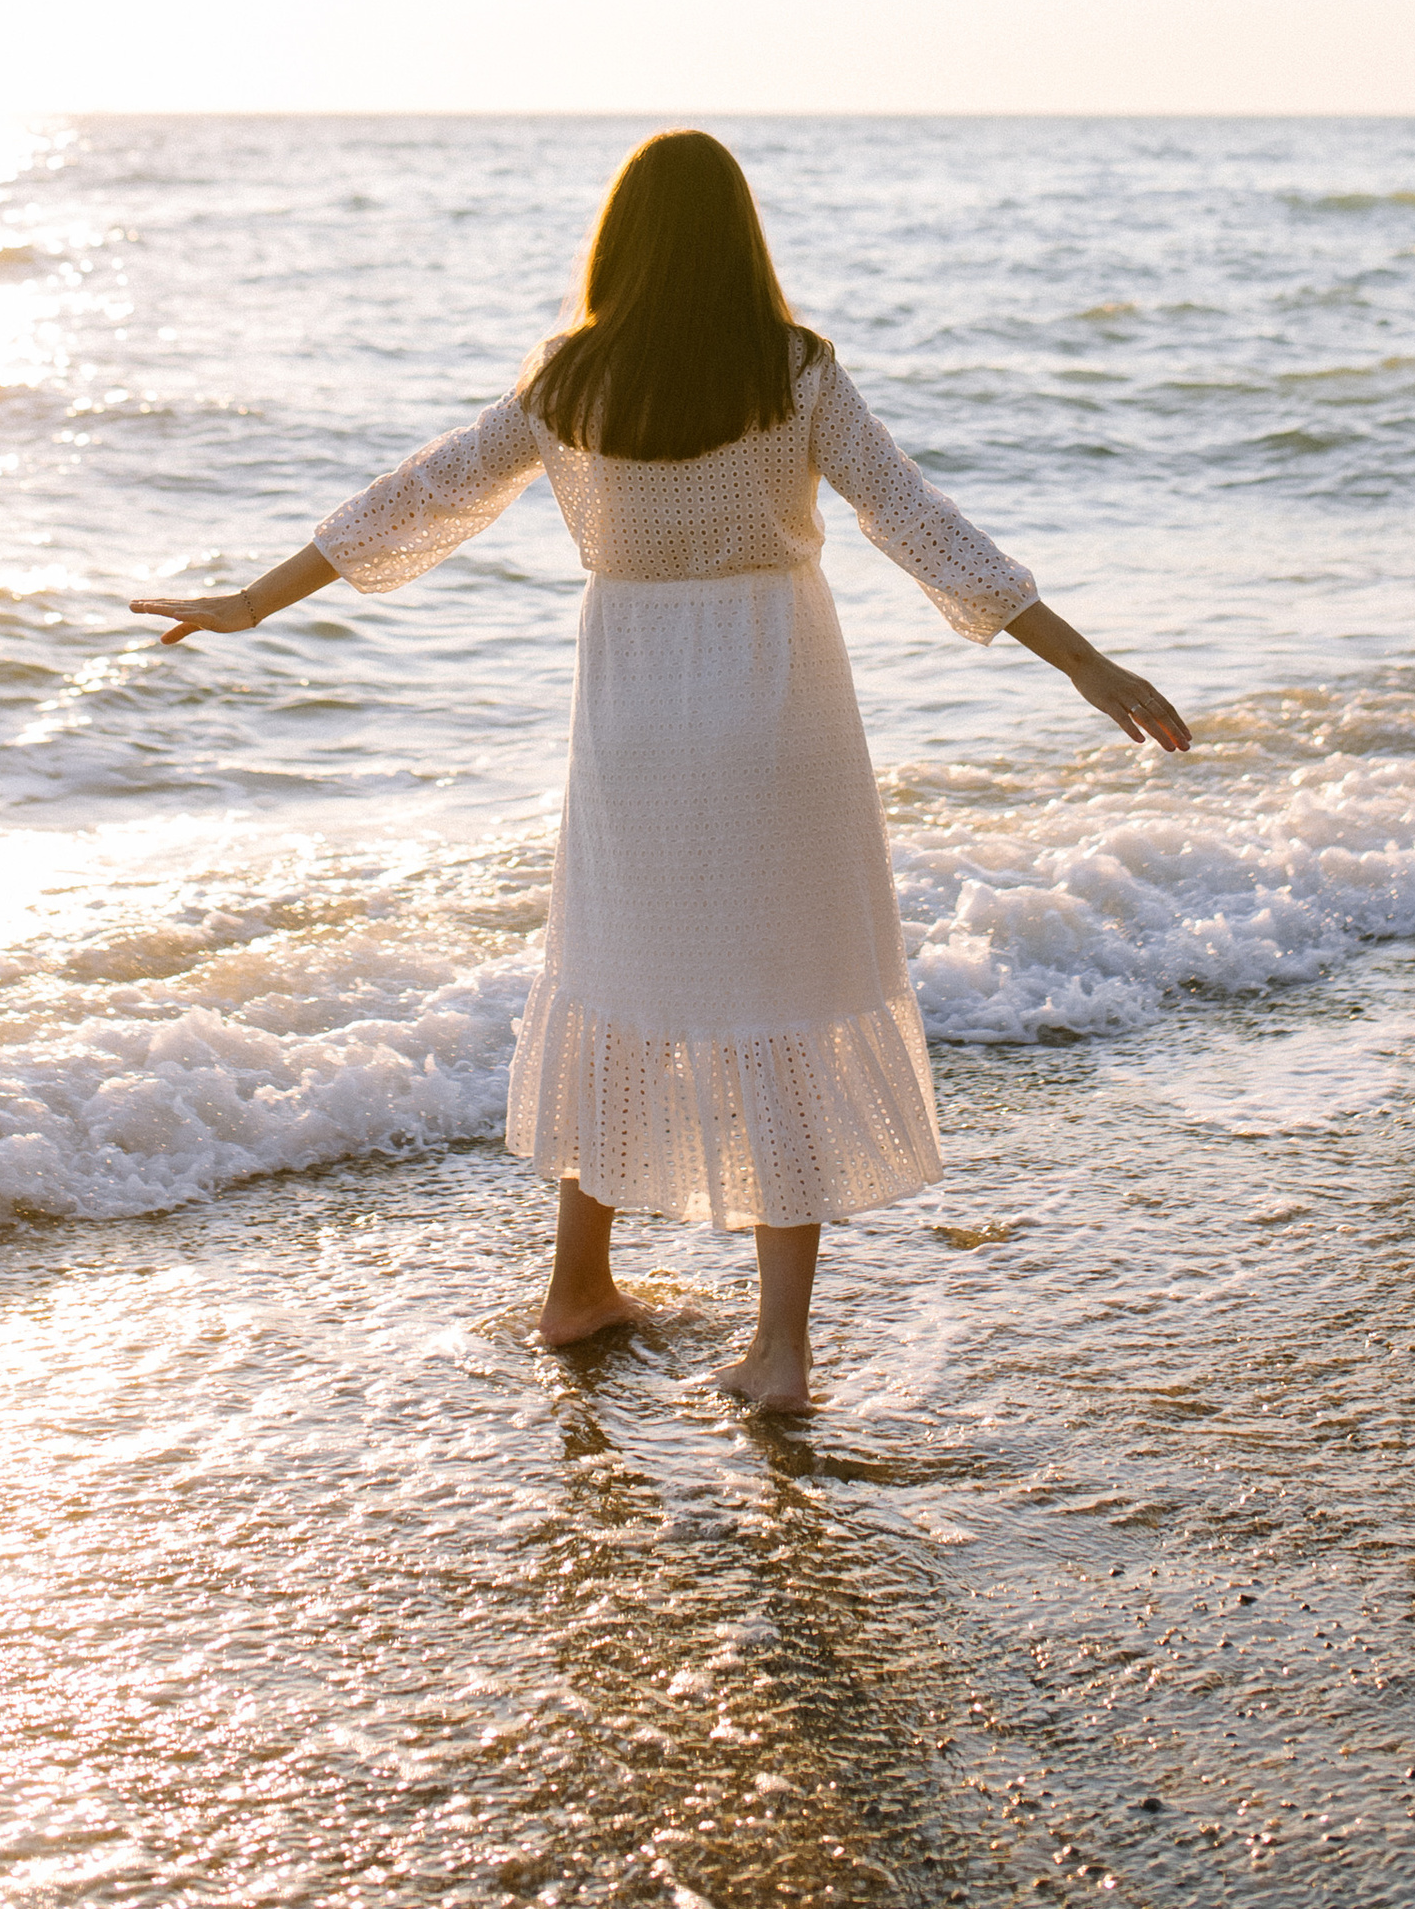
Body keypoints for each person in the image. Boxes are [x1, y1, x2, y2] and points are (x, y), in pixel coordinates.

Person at [132, 128, 1190, 1416]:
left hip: (635, 723)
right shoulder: (793, 372)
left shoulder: (570, 383)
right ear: (740, 240)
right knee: (785, 994)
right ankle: (781, 1351)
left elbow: (415, 496)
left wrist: (256, 599)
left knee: (617, 981)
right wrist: (1087, 664)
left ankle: (578, 1288)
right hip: (778, 707)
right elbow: (920, 525)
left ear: (620, 241)